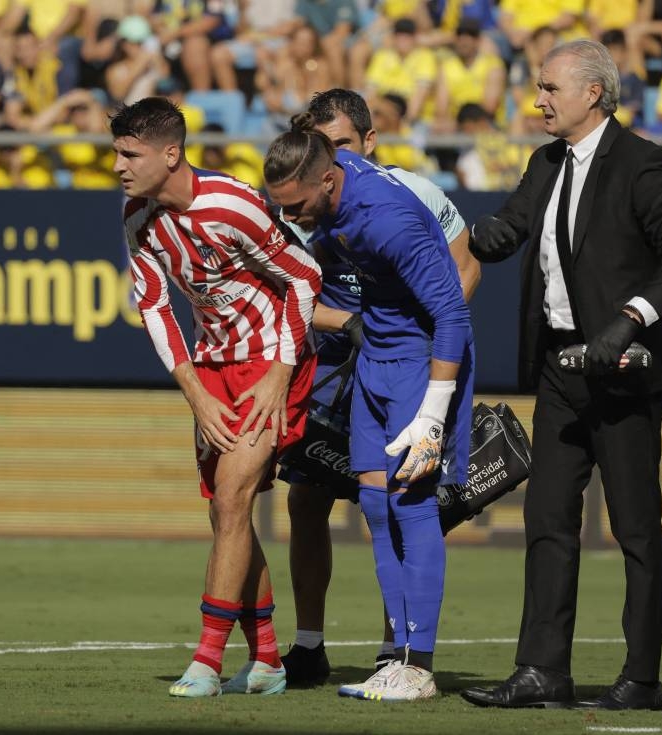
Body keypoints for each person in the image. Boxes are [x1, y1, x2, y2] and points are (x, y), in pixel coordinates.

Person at [462, 39, 662, 711]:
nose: (537, 98)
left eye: (548, 87)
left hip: (625, 370)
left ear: (592, 93)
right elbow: (506, 231)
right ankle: (542, 670)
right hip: (559, 370)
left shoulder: (642, 162)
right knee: (546, 519)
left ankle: (642, 677)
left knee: (634, 525)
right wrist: (457, 230)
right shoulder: (544, 162)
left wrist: (629, 318)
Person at [111, 96, 322, 698]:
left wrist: (280, 373)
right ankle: (269, 662)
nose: (120, 166)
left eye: (131, 154)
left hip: (273, 361)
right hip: (214, 369)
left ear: (171, 153)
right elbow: (154, 307)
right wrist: (195, 392)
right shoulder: (138, 220)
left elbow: (305, 278)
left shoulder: (232, 204)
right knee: (223, 513)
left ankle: (206, 660)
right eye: (117, 153)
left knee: (232, 501)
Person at [272, 88, 480, 689]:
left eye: (297, 205)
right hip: (370, 360)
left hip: (417, 363)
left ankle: (419, 663)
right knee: (373, 504)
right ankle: (392, 662)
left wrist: (435, 413)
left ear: (332, 178)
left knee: (411, 507)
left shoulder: (390, 218)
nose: (291, 216)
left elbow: (453, 313)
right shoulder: (323, 195)